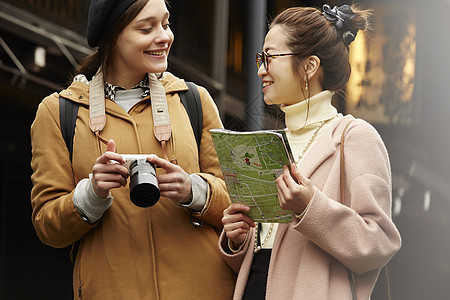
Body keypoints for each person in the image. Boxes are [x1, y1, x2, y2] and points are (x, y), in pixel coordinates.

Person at [30, 0, 235, 298]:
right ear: (114, 35)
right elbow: (48, 227)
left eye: (166, 24)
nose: (164, 36)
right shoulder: (57, 112)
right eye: (146, 28)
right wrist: (92, 193)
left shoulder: (194, 100)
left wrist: (193, 189)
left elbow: (240, 200)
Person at [220, 4, 402, 299]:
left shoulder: (354, 137)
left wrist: (309, 207)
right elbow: (271, 256)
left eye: (270, 58)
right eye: (260, 58)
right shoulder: (272, 142)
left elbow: (379, 242)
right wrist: (238, 238)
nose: (260, 69)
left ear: (309, 66)